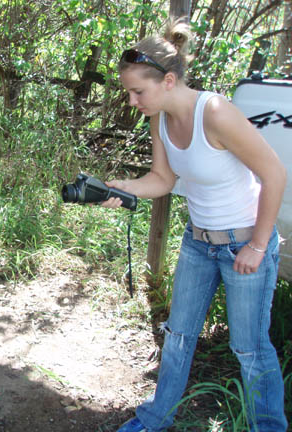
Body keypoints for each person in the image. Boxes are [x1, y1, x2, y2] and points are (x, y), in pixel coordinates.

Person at [104, 18, 289, 432]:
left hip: (245, 242)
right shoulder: (161, 119)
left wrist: (258, 246)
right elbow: (164, 180)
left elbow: (274, 174)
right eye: (129, 93)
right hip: (198, 243)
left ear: (168, 80)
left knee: (249, 348)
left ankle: (268, 427)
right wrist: (122, 186)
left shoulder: (216, 112)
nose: (133, 101)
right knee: (178, 337)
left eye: (138, 91)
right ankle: (154, 418)